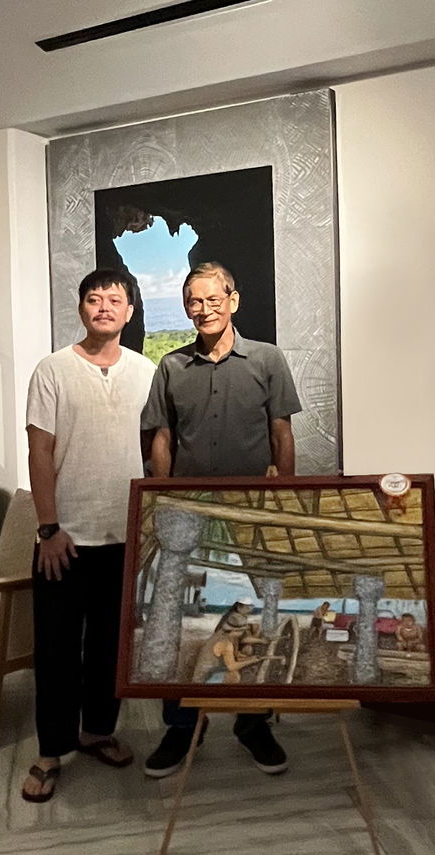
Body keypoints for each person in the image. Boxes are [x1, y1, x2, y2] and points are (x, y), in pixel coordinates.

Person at [140, 260, 302, 778]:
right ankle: (182, 726)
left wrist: (283, 504)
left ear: (233, 300)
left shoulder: (268, 359)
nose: (203, 310)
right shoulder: (171, 367)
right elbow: (161, 439)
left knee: (252, 616)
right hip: (188, 515)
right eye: (193, 301)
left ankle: (253, 724)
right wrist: (163, 502)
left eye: (213, 299)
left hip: (250, 514)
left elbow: (282, 435)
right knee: (180, 618)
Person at [19, 268, 155, 802]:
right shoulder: (52, 370)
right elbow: (39, 452)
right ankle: (50, 749)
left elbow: (154, 448)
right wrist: (48, 528)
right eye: (93, 299)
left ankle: (98, 730)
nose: (103, 307)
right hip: (64, 538)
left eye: (114, 300)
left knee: (108, 643)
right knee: (55, 648)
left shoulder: (145, 372)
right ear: (80, 309)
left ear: (129, 311)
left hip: (123, 533)